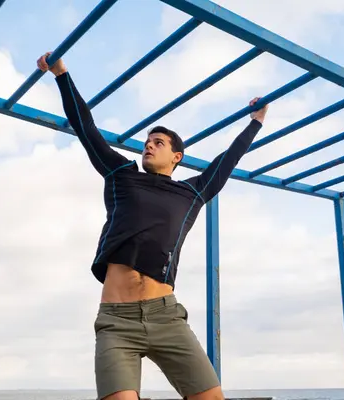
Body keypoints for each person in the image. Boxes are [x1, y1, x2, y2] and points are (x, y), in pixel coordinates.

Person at [37, 52, 268, 400]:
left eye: (158, 142)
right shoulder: (121, 175)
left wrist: (255, 122)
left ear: (177, 157)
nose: (148, 145)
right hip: (117, 321)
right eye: (147, 141)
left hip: (166, 317)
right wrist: (61, 74)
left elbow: (227, 161)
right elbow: (86, 128)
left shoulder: (192, 192)